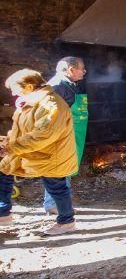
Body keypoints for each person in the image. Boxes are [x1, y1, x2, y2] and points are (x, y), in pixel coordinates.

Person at [0, 70, 79, 235]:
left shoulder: (51, 105)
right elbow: (21, 130)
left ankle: (67, 222)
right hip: (30, 151)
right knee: (4, 169)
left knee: (56, 187)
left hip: (50, 155)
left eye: (15, 89)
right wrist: (6, 143)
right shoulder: (30, 103)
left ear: (29, 86)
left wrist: (11, 147)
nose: (13, 93)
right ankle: (3, 213)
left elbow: (43, 135)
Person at [45, 56, 88, 215]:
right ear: (71, 69)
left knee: (66, 168)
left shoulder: (69, 85)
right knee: (58, 169)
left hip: (71, 134)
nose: (84, 72)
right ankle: (53, 204)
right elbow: (49, 114)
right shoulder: (56, 87)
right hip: (61, 136)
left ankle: (63, 202)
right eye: (81, 69)